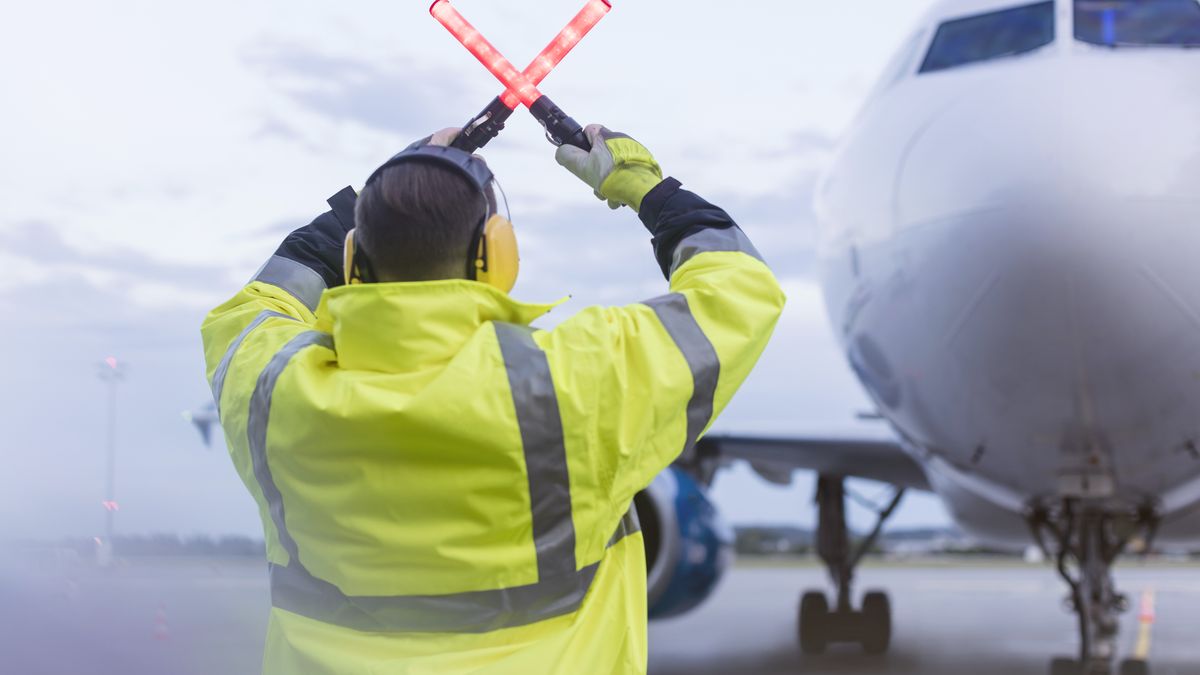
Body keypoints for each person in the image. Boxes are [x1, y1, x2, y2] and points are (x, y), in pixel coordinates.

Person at [201, 124, 785, 674]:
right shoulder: (579, 382)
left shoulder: (270, 388)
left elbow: (259, 302)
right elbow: (738, 287)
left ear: (354, 258)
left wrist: (400, 182)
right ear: (497, 253)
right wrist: (643, 184)